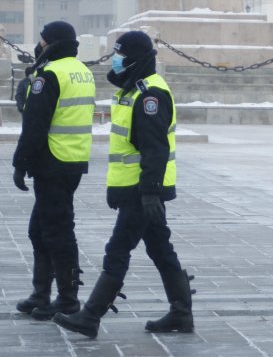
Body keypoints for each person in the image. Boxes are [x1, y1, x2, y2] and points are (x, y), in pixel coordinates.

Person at [53, 31, 194, 338]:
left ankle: (90, 316)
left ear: (135, 60)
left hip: (142, 191)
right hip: (138, 189)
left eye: (120, 55)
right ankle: (182, 313)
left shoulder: (149, 96)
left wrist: (150, 192)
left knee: (117, 250)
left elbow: (155, 149)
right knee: (160, 249)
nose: (116, 60)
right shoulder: (134, 92)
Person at [13, 21, 96, 320]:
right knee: (40, 229)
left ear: (51, 43)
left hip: (52, 162)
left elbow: (35, 126)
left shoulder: (49, 75)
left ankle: (66, 299)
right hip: (72, 161)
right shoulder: (80, 70)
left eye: (42, 41)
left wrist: (20, 163)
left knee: (57, 232)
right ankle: (41, 294)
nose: (39, 46)